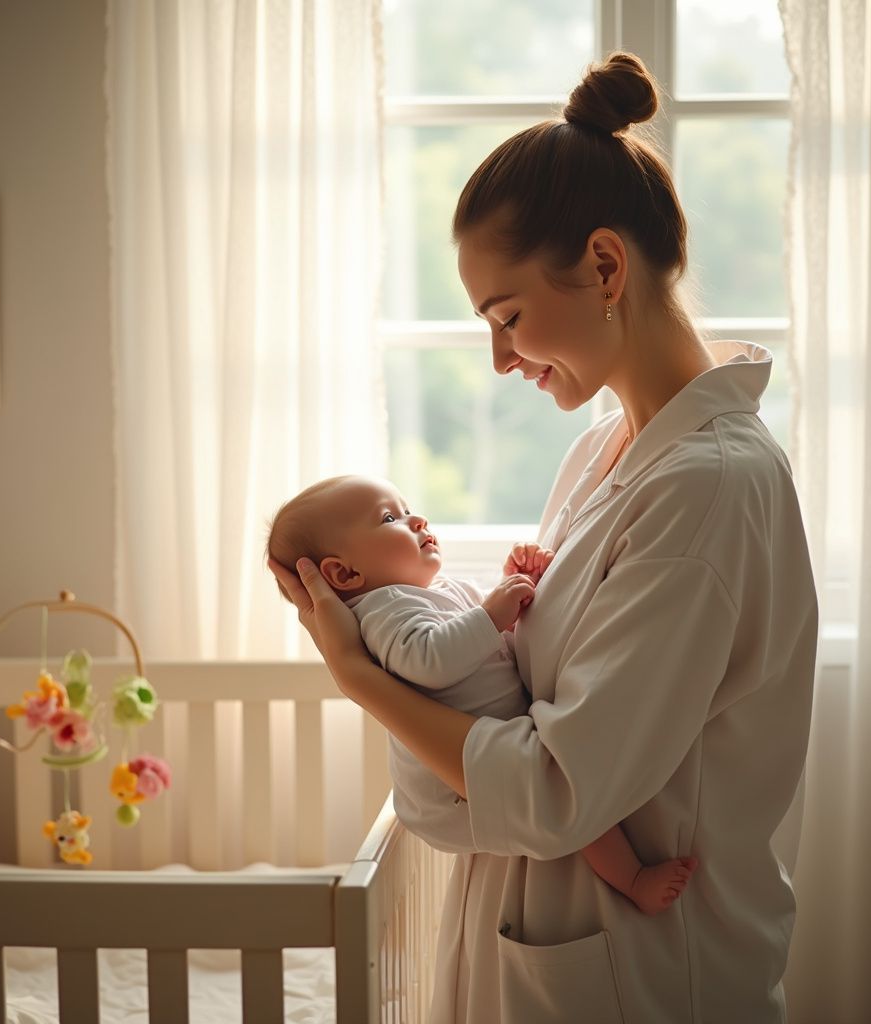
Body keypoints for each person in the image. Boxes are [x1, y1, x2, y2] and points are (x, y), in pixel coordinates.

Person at [270, 50, 817, 1023]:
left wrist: (359, 676)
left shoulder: (709, 492)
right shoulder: (608, 449)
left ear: (604, 265)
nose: (497, 357)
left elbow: (558, 788)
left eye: (508, 316)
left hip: (643, 975)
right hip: (551, 944)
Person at [266, 474, 698, 915]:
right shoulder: (382, 611)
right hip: (453, 790)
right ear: (345, 573)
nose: (417, 519)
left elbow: (493, 638)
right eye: (390, 517)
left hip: (491, 745)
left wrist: (517, 585)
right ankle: (633, 879)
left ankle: (632, 876)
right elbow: (429, 658)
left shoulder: (434, 592)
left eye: (407, 506)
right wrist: (492, 613)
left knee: (579, 803)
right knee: (577, 813)